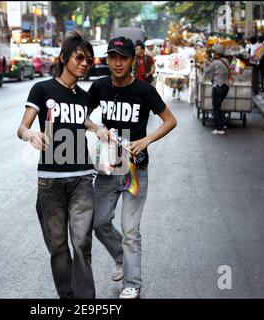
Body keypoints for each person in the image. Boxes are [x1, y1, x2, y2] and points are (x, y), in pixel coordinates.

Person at [86, 36, 177, 299]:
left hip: (136, 170)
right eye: (112, 57)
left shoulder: (144, 90)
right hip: (107, 168)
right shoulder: (99, 87)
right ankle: (120, 258)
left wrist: (147, 139)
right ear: (107, 59)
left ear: (132, 61)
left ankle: (132, 283)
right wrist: (97, 127)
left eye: (122, 58)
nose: (117, 63)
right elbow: (83, 117)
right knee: (99, 222)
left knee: (130, 230)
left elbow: (170, 121)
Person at [17, 31, 96, 299]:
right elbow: (22, 127)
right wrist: (32, 135)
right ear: (64, 58)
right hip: (50, 181)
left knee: (82, 242)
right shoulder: (42, 89)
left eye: (89, 60)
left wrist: (98, 128)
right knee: (58, 246)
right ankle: (68, 298)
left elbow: (80, 120)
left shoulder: (85, 97)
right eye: (79, 58)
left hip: (83, 178)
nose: (85, 63)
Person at [203, 43, 230, 135]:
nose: (213, 54)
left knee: (216, 108)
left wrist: (205, 63)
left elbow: (206, 71)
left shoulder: (215, 62)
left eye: (214, 52)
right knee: (219, 107)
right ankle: (221, 125)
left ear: (217, 53)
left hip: (218, 86)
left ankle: (219, 128)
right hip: (225, 86)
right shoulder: (226, 61)